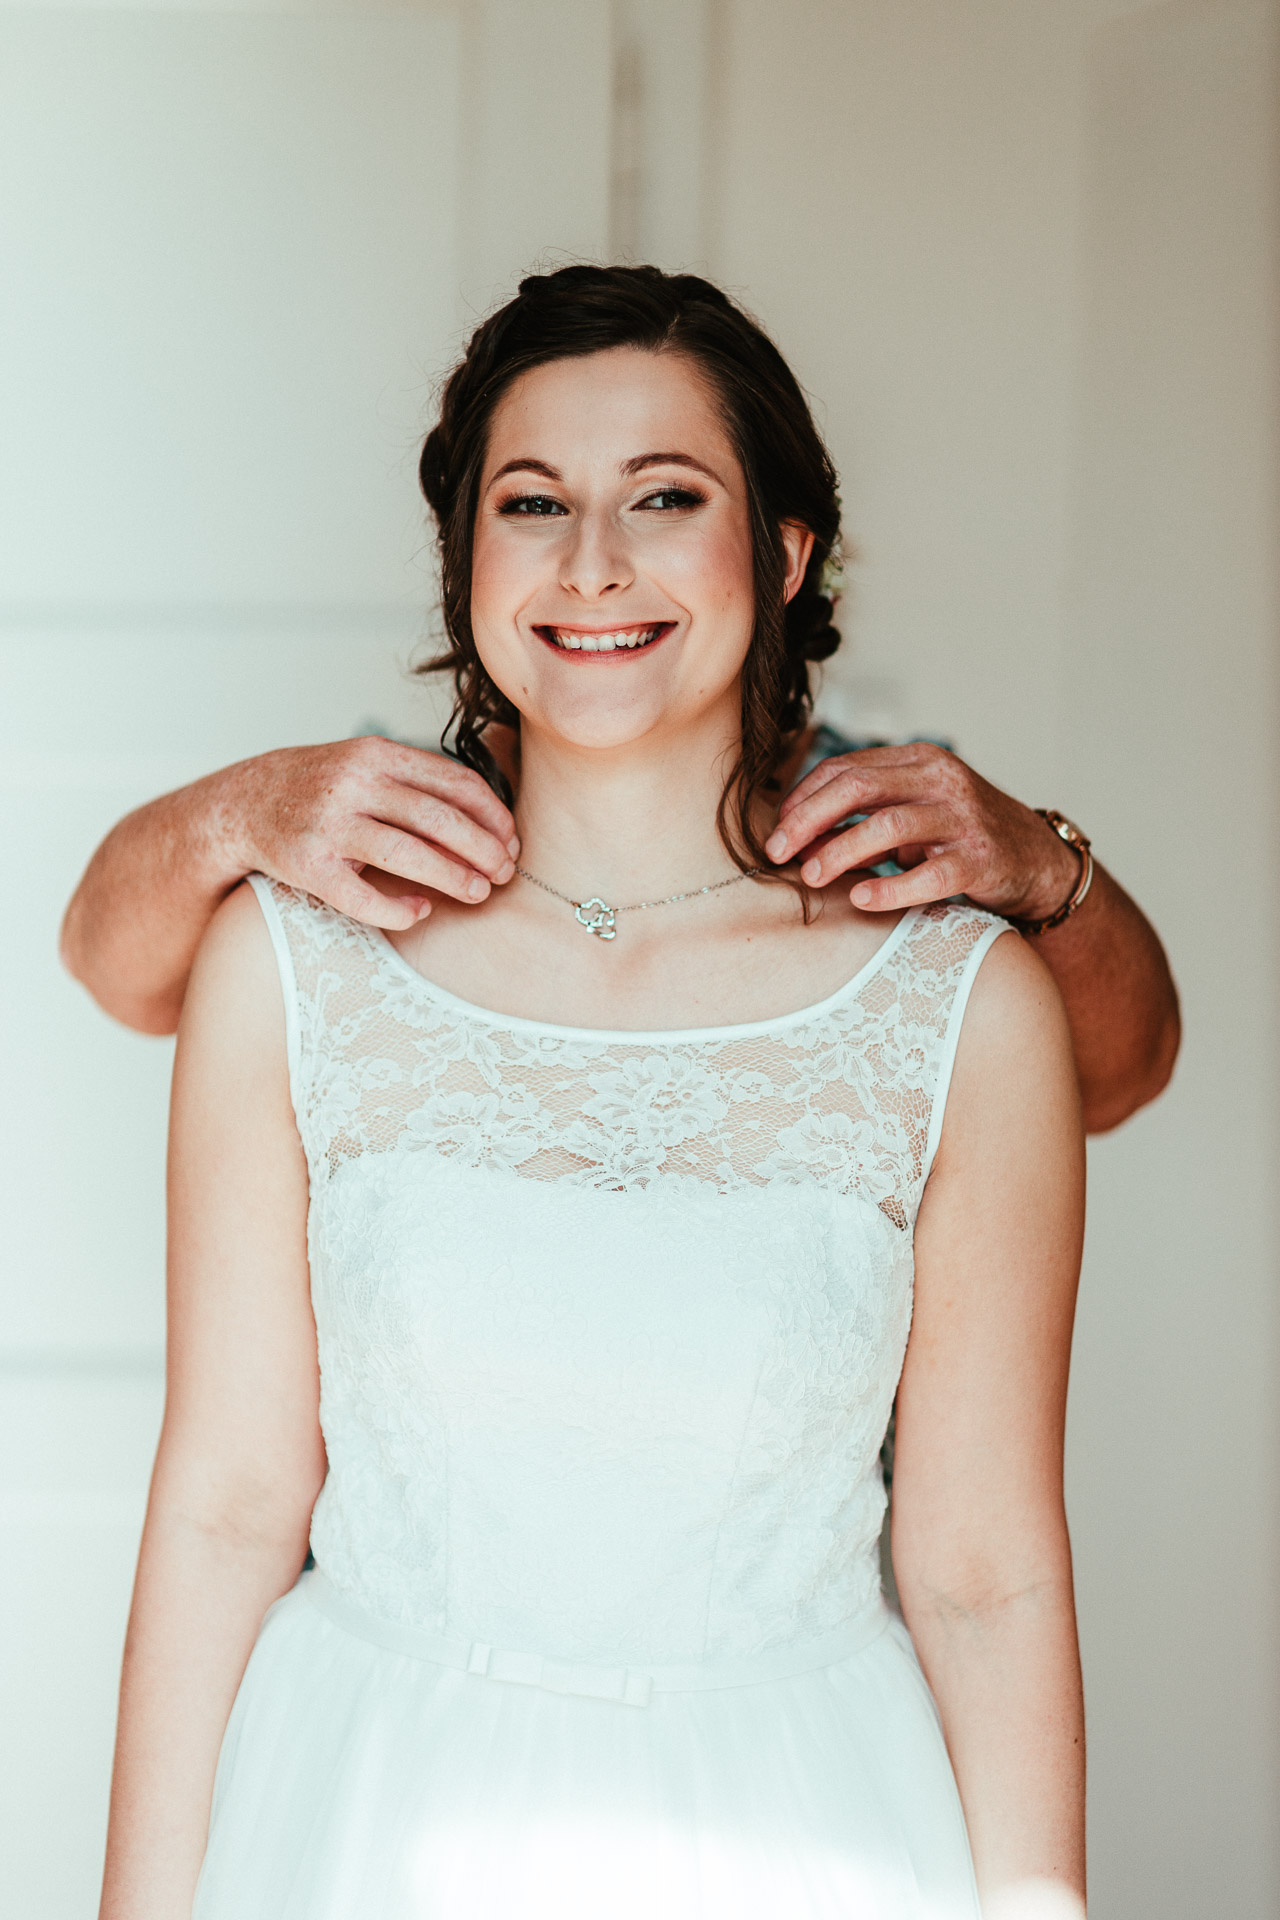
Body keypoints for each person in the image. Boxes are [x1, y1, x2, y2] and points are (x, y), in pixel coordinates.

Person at [98, 264, 1091, 1920]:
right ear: (466, 560)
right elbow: (225, 1508)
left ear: (783, 556)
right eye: (533, 502)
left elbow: (985, 1576)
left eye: (666, 497)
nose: (592, 563)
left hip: (798, 1828)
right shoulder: (292, 960)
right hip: (360, 1815)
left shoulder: (962, 1006)